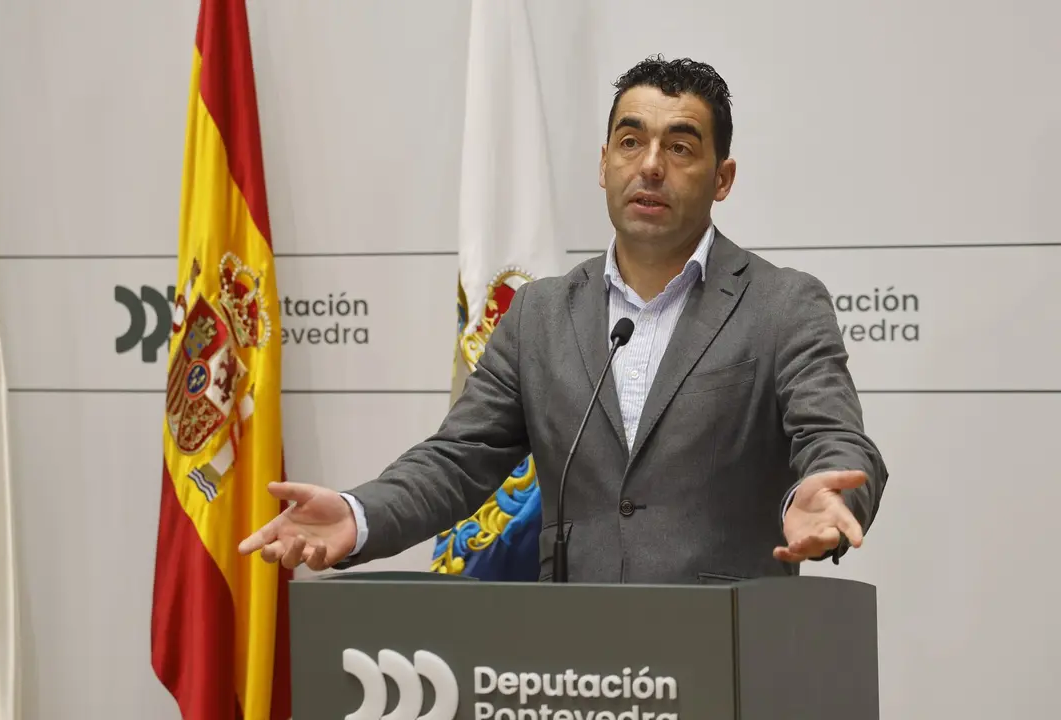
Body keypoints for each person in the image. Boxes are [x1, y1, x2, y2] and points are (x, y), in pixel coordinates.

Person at [238, 55, 887, 583]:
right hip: (572, 664)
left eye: (681, 147)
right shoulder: (541, 315)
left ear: (723, 178)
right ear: (604, 164)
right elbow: (458, 459)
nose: (652, 165)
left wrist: (829, 497)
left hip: (726, 657)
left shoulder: (782, 304)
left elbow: (836, 440)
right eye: (631, 142)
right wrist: (359, 514)